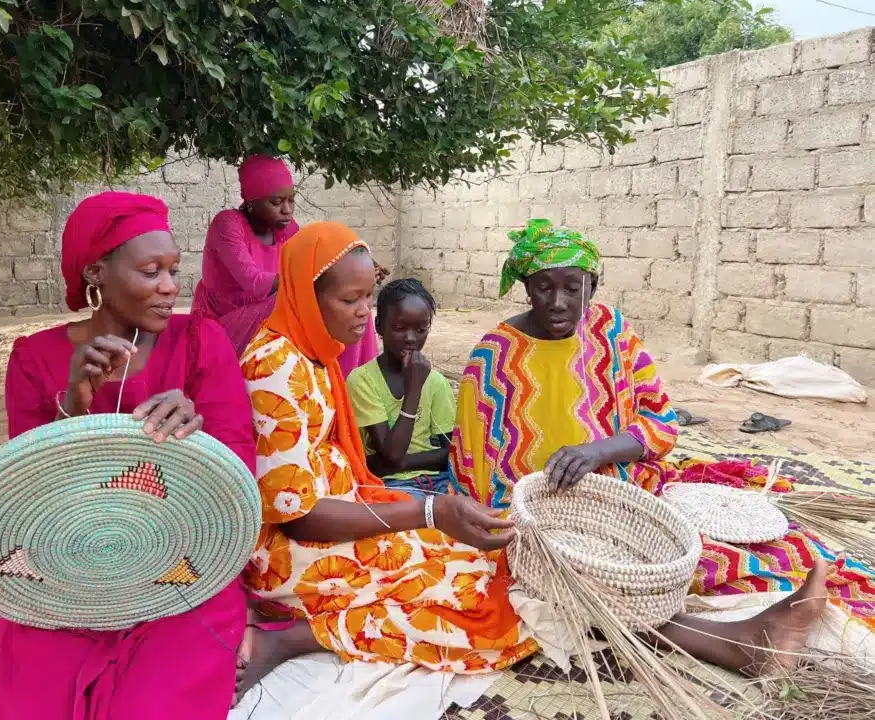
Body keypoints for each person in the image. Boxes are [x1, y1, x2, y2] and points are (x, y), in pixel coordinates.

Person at [235, 220, 831, 705]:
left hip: (357, 513)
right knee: (502, 594)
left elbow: (659, 422)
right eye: (352, 299)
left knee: (509, 569)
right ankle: (735, 642)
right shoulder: (279, 368)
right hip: (302, 550)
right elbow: (301, 515)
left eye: (370, 294)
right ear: (302, 294)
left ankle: (739, 640)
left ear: (593, 286)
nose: (366, 313)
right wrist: (430, 510)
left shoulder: (308, 350)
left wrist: (434, 511)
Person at [450, 218, 875, 629]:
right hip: (536, 511)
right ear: (526, 288)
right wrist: (525, 507)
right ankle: (725, 633)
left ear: (592, 288)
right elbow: (474, 464)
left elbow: (661, 424)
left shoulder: (612, 333)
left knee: (704, 560)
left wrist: (597, 451)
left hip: (623, 492)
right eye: (543, 287)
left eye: (572, 288)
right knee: (589, 578)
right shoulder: (495, 355)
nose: (557, 301)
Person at [0, 192, 256, 720]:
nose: (169, 287)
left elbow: (240, 470)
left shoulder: (200, 343)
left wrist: (196, 436)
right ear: (97, 271)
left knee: (151, 706)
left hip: (181, 563)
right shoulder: (35, 359)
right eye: (150, 271)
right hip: (66, 568)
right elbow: (24, 495)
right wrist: (72, 409)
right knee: (20, 697)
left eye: (174, 269)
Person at [192, 154, 382, 373]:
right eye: (277, 202)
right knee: (308, 300)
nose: (287, 209)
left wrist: (354, 263)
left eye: (291, 200)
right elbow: (252, 281)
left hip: (266, 315)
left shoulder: (286, 227)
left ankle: (357, 378)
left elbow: (316, 254)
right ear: (251, 202)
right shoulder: (227, 224)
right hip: (222, 327)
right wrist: (314, 278)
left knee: (355, 306)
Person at [347, 278, 455, 496]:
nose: (410, 338)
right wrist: (413, 389)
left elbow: (450, 454)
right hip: (389, 484)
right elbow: (392, 454)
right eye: (399, 328)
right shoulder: (362, 381)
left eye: (421, 329)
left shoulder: (437, 382)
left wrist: (398, 462)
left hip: (438, 481)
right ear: (379, 326)